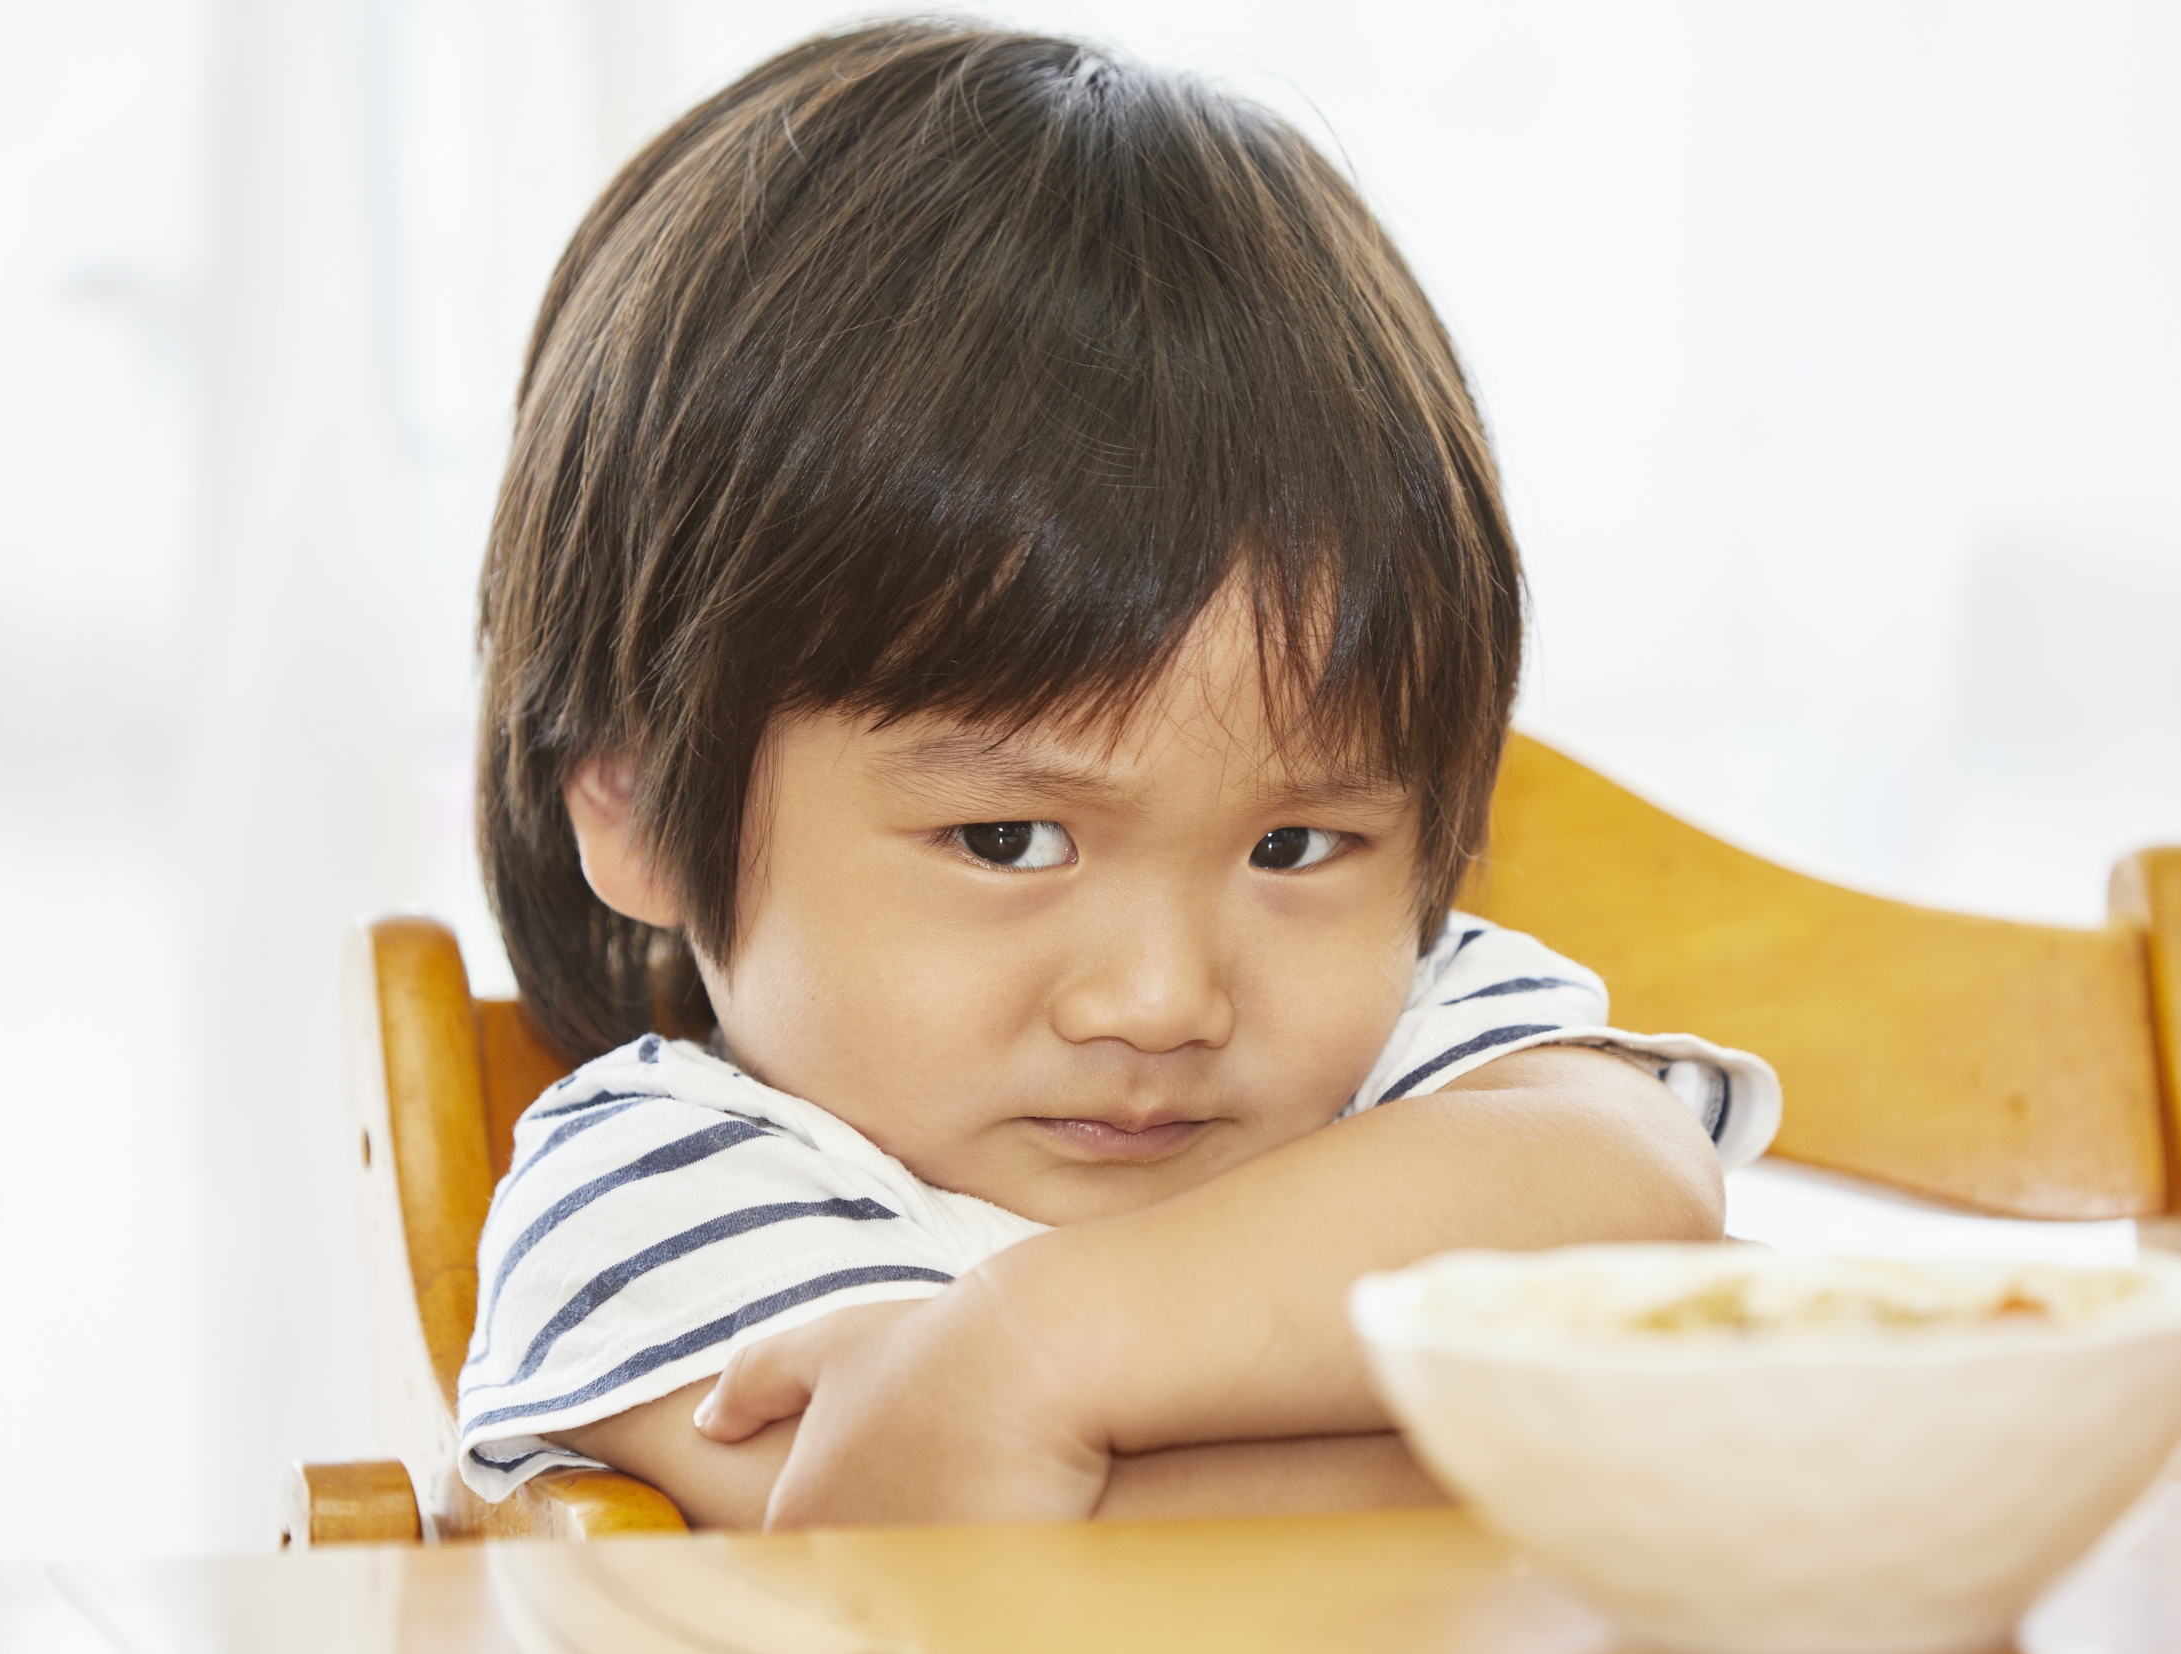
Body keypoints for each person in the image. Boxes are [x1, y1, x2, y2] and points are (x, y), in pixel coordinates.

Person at [458, 20, 1780, 1530]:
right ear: (627, 797)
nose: (1163, 1001)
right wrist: (1590, 1409)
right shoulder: (652, 1193)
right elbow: (971, 1531)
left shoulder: (1403, 1035)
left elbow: (1628, 1172)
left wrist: (1042, 1350)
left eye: (1295, 848)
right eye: (1010, 839)